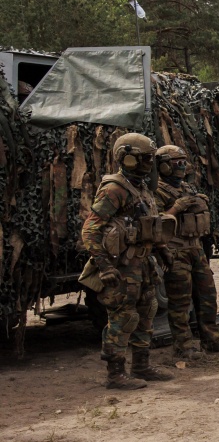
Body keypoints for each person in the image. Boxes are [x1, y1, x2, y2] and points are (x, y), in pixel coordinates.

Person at [80, 133, 174, 389]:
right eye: (143, 159)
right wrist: (104, 265)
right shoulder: (115, 189)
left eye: (150, 159)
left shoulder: (141, 188)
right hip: (123, 266)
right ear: (127, 158)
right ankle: (115, 373)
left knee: (147, 312)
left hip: (143, 264)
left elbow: (148, 225)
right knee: (123, 317)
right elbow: (90, 229)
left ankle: (141, 365)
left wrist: (162, 249)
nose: (148, 164)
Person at [154, 145, 219, 359]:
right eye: (177, 162)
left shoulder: (188, 188)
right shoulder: (157, 191)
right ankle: (183, 345)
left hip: (195, 248)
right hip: (175, 250)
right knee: (180, 301)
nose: (182, 166)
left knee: (207, 296)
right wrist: (176, 208)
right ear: (164, 165)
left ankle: (211, 339)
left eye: (183, 161)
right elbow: (155, 223)